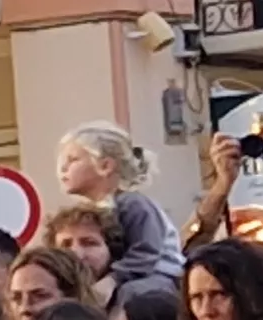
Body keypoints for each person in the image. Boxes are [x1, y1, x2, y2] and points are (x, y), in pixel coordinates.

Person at [59, 125, 181, 296]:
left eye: (73, 160)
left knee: (128, 294)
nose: (64, 168)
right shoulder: (99, 210)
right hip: (128, 277)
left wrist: (113, 279)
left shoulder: (133, 204)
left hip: (159, 277)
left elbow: (146, 253)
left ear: (105, 165)